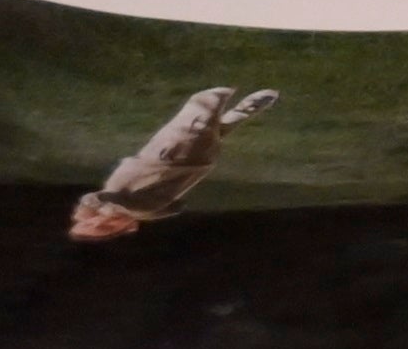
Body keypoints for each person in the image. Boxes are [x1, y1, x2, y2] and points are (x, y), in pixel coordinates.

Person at [66, 89, 282, 243]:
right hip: (177, 159)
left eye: (90, 223)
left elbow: (175, 207)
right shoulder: (136, 209)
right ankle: (227, 86)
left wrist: (97, 213)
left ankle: (249, 101)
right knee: (202, 115)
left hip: (175, 158)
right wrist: (94, 210)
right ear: (127, 228)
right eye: (105, 228)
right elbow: (102, 200)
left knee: (211, 125)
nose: (99, 222)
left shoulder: (136, 210)